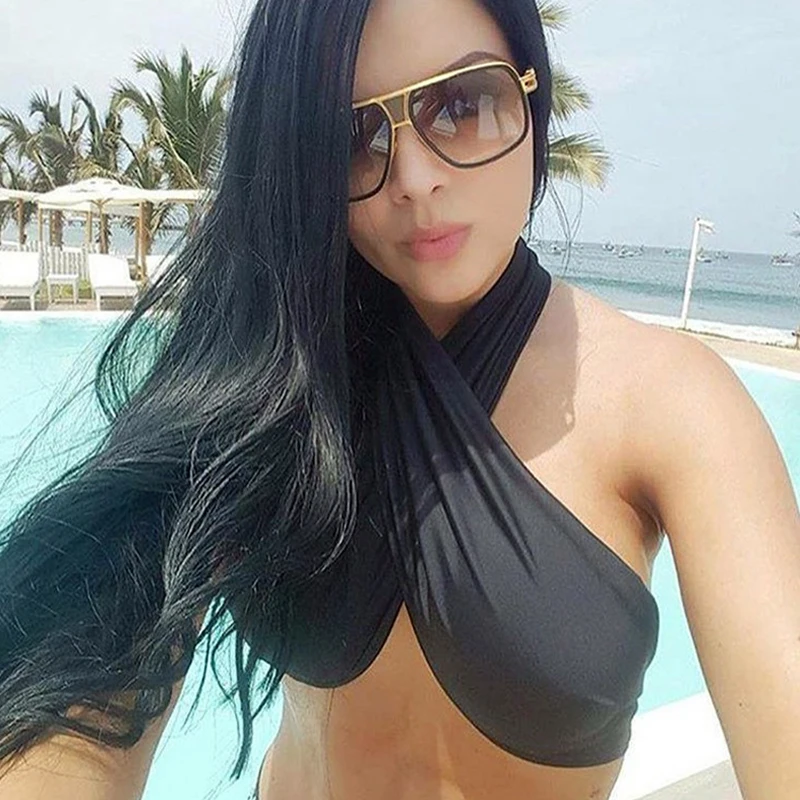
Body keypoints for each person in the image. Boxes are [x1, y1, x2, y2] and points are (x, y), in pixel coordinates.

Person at [1, 0, 799, 798]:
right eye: (352, 136)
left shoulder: (670, 402)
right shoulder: (275, 371)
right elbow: (94, 668)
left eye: (463, 104)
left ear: (531, 91)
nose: (415, 181)